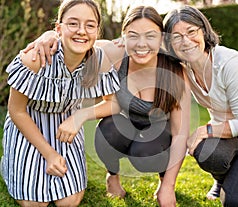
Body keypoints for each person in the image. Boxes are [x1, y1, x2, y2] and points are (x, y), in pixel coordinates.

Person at [23, 6, 191, 207]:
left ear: (162, 39)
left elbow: (180, 134)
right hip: (125, 125)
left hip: (157, 136)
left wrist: (169, 187)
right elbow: (77, 39)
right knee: (108, 130)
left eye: (150, 36)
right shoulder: (113, 52)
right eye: (133, 35)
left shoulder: (175, 72)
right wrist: (48, 35)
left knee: (146, 155)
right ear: (122, 37)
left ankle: (162, 180)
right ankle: (112, 176)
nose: (141, 44)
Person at [163, 5, 238, 206]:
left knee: (237, 202)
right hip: (229, 136)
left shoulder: (231, 64)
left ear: (203, 31)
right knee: (207, 153)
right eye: (176, 37)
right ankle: (222, 181)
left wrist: (206, 130)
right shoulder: (183, 69)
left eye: (191, 32)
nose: (186, 41)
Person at [1, 0, 120, 206]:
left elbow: (114, 104)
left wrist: (79, 116)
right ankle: (10, 164)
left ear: (97, 31)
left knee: (69, 202)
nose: (82, 31)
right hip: (28, 124)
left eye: (90, 25)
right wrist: (49, 153)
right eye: (73, 23)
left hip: (65, 126)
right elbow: (16, 110)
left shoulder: (99, 59)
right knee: (34, 203)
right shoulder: (36, 57)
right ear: (58, 28)